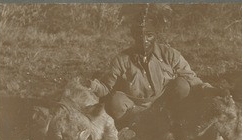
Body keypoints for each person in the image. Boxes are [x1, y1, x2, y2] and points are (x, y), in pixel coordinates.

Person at [85, 5, 228, 129]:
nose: (144, 40)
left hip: (165, 103)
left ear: (155, 36)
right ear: (133, 36)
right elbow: (106, 88)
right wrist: (91, 85)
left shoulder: (169, 54)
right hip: (136, 106)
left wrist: (211, 90)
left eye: (149, 35)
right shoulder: (121, 60)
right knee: (115, 101)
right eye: (139, 36)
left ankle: (175, 120)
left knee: (182, 85)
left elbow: (191, 78)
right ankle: (135, 127)